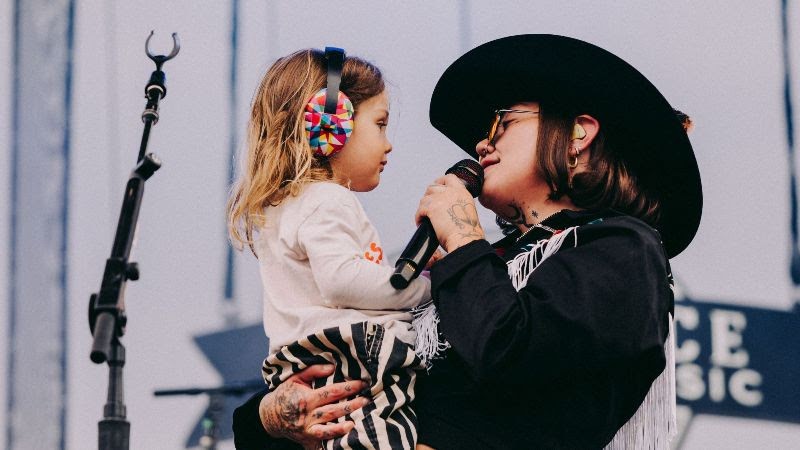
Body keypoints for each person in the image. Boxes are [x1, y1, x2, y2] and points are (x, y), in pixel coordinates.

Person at [232, 34, 702, 449]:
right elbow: (350, 371)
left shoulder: (621, 250)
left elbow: (511, 356)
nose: (481, 144)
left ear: (580, 133)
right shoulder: (477, 265)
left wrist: (462, 237)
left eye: (503, 122)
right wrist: (270, 416)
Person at [227, 47, 431, 450]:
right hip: (348, 361)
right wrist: (427, 287)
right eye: (380, 124)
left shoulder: (288, 207)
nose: (388, 145)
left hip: (310, 365)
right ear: (331, 123)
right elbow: (343, 282)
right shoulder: (328, 200)